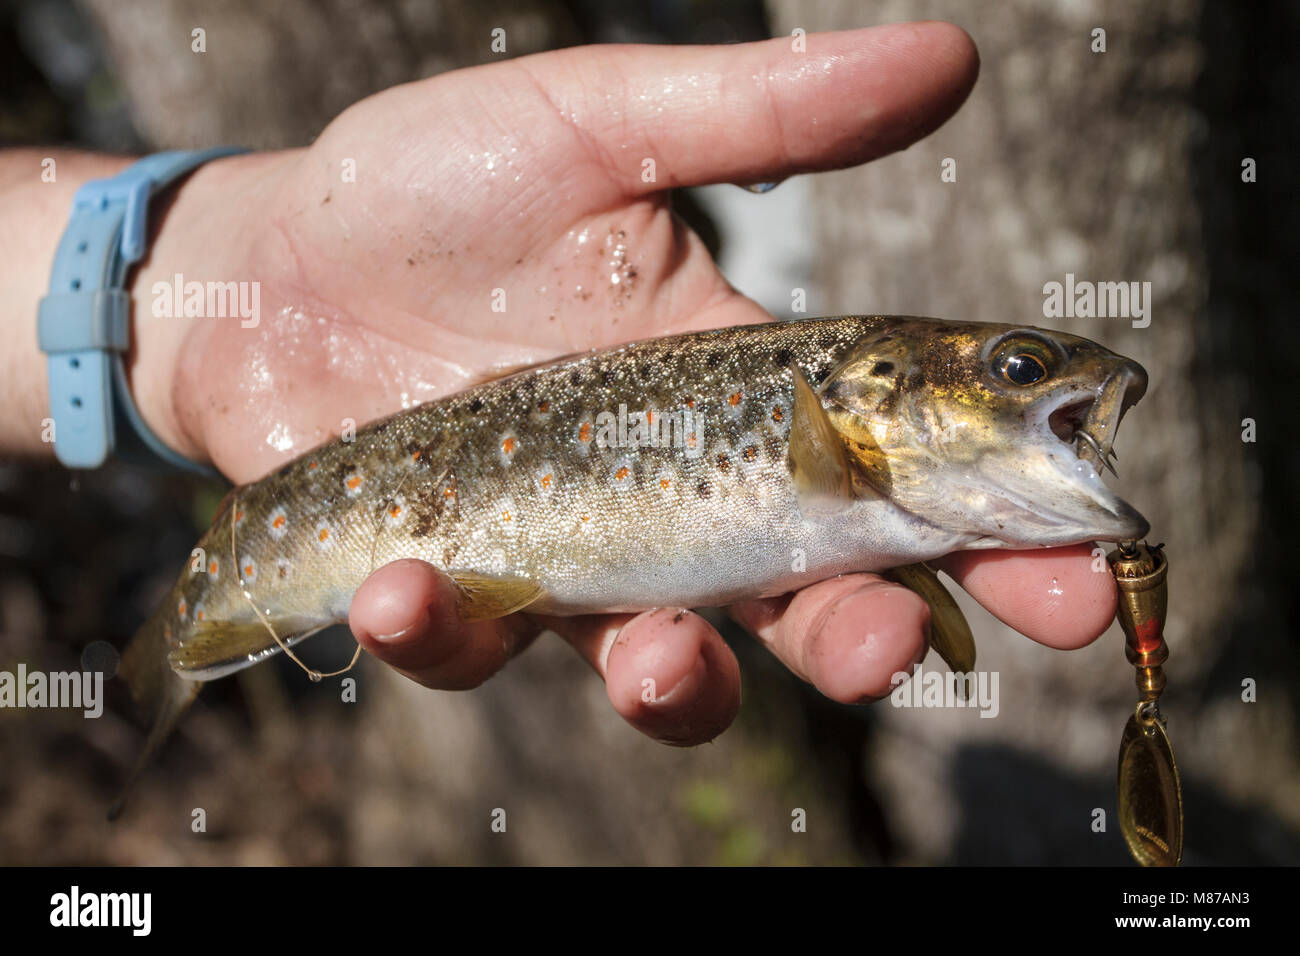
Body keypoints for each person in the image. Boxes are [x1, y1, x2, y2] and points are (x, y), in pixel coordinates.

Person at [0, 22, 1116, 745]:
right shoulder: (836, 447)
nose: (1068, 385)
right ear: (871, 394)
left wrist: (183, 278)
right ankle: (143, 695)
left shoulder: (879, 491)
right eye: (1017, 370)